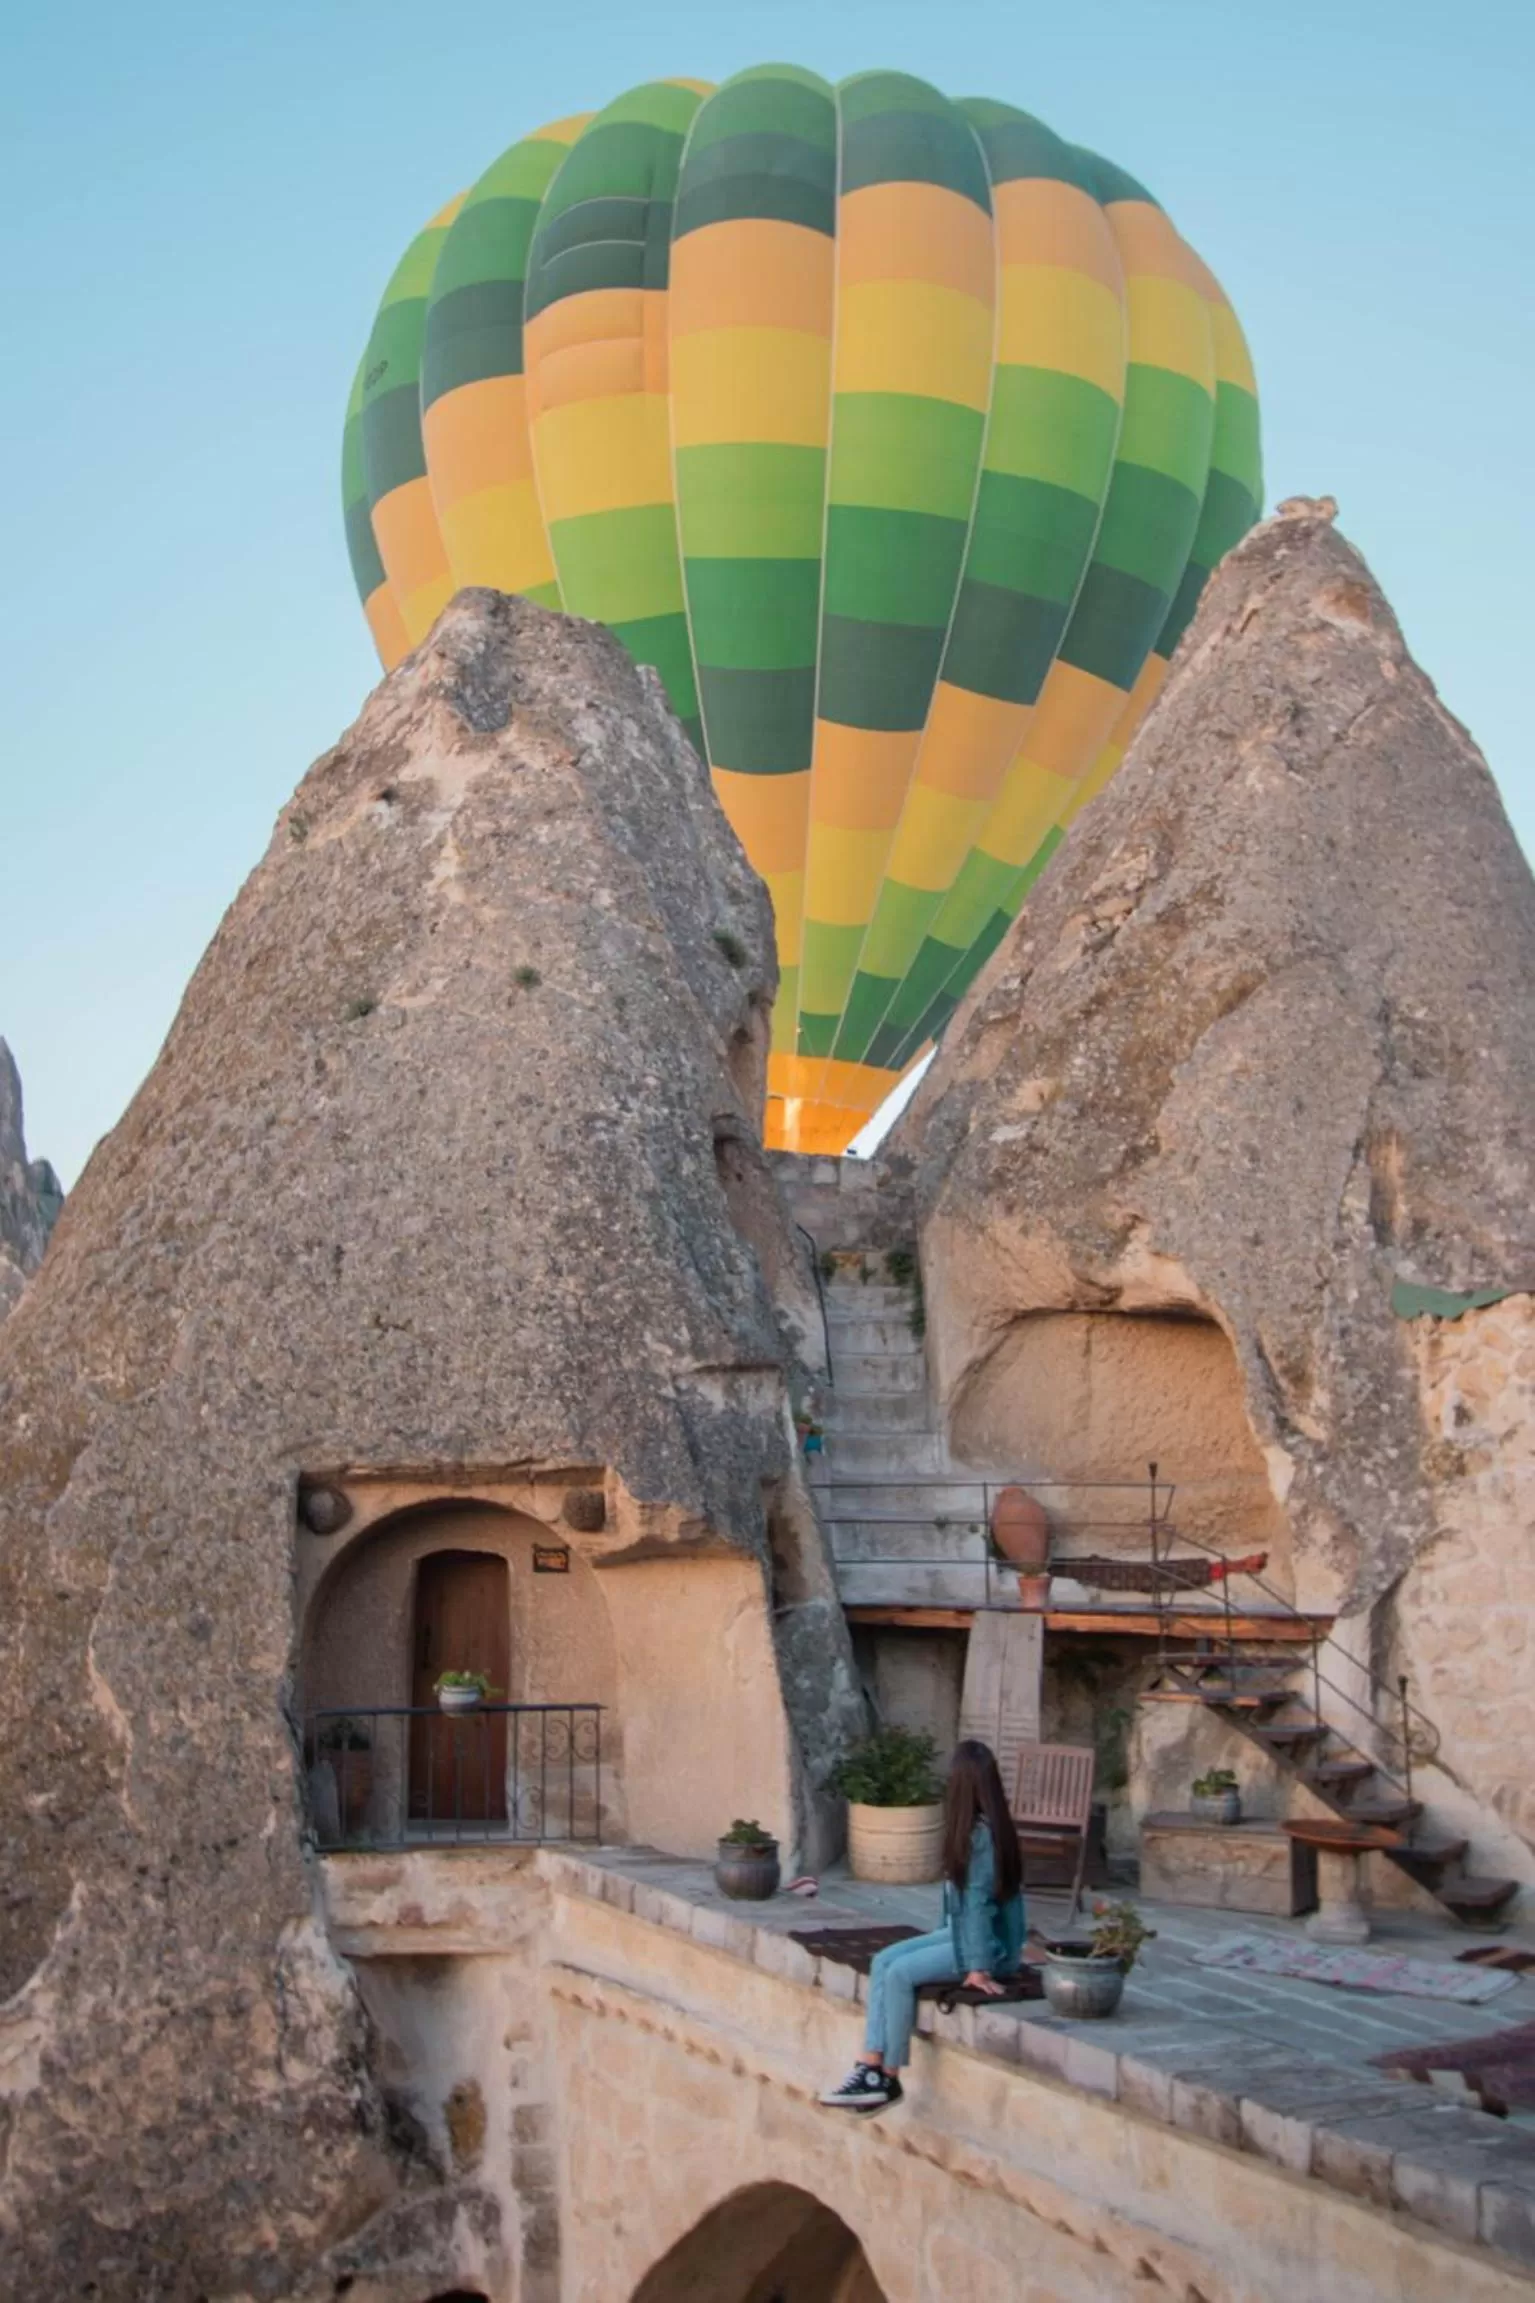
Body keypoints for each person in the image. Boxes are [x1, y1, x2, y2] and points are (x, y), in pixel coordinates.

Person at [819, 1739, 1025, 2114]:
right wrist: (940, 1937)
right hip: (961, 1936)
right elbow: (960, 1905)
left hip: (987, 1948)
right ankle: (869, 2064)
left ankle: (888, 2077)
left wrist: (978, 1968)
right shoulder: (977, 1829)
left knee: (899, 1974)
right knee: (883, 1961)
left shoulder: (982, 1837)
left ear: (958, 1786)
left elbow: (978, 1905)